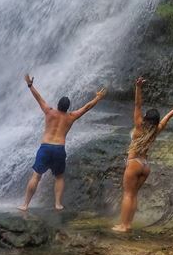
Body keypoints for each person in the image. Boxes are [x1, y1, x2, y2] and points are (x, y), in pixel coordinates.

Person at [112, 77, 173, 233]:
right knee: (134, 194)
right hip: (145, 166)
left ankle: (123, 225)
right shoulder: (157, 129)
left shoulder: (139, 127)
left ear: (146, 118)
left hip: (134, 163)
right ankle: (128, 224)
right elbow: (168, 117)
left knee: (128, 194)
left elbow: (137, 104)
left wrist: (138, 87)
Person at [18, 74, 107, 211]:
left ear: (58, 105)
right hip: (59, 148)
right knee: (59, 177)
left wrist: (30, 84)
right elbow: (87, 107)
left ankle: (25, 205)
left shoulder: (49, 112)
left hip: (46, 147)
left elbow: (38, 98)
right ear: (68, 107)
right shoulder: (71, 117)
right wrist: (98, 98)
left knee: (36, 175)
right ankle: (58, 204)